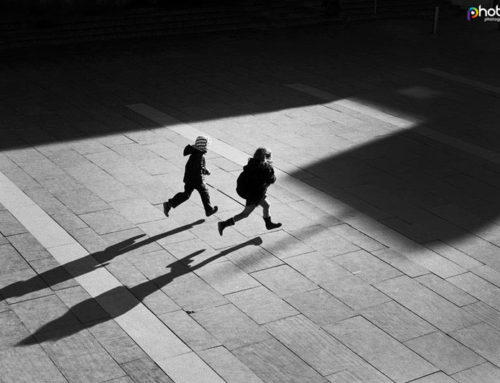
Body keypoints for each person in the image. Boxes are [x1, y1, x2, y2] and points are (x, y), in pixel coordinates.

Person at [218, 147, 281, 236]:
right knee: (245, 214)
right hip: (254, 194)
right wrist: (271, 168)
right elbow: (272, 180)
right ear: (267, 158)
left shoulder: (252, 163)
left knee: (266, 205)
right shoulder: (266, 168)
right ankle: (224, 224)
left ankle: (268, 224)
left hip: (245, 190)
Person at [163, 136, 218, 217]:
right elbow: (199, 167)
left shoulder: (196, 152)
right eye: (207, 145)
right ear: (203, 146)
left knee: (186, 194)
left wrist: (204, 170)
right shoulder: (199, 155)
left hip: (190, 178)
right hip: (196, 179)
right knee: (204, 191)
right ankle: (209, 210)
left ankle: (169, 204)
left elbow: (197, 166)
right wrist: (205, 171)